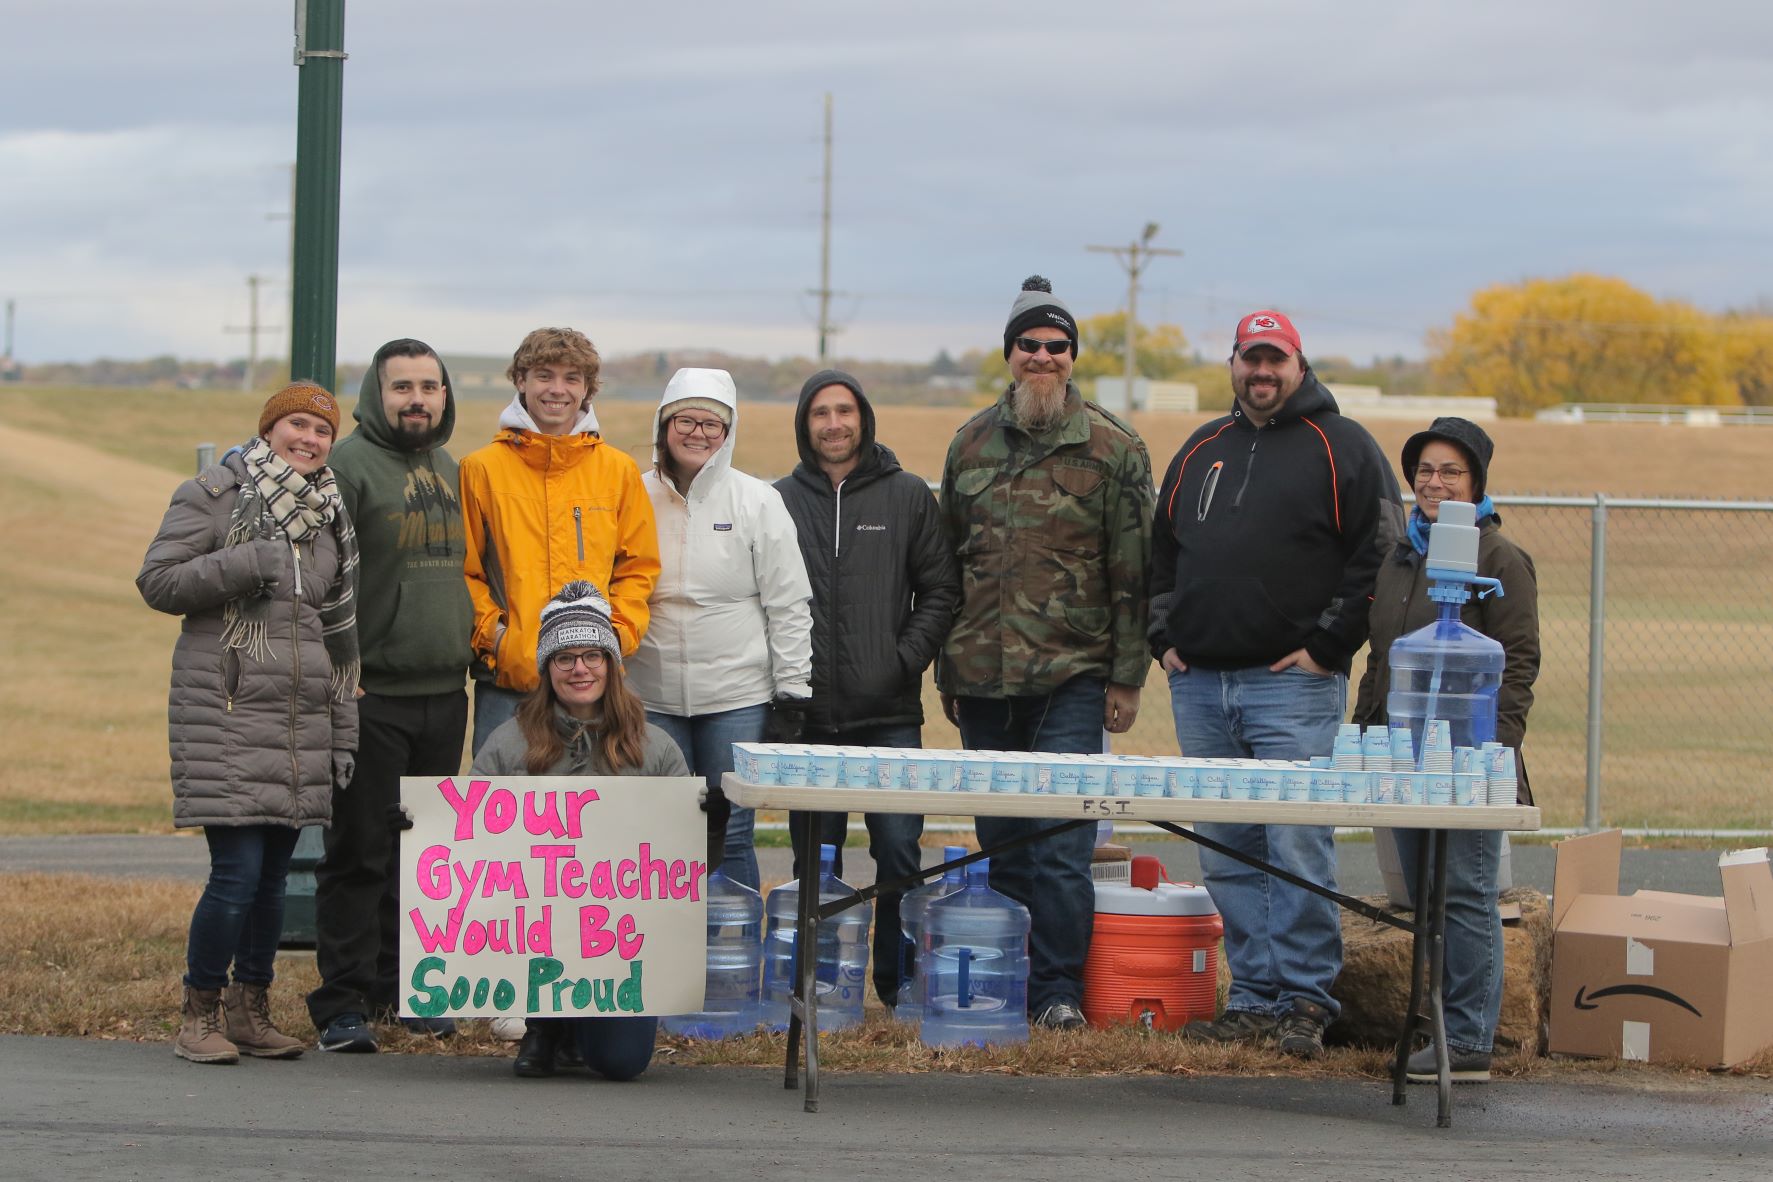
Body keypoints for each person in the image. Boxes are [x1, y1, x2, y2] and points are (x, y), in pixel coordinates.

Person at [1149, 309, 1401, 1058]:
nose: (1261, 373)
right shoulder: (1202, 447)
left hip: (1288, 687)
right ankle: (1253, 995)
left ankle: (1305, 999)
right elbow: (1161, 551)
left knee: (1295, 846)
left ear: (1297, 364)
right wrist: (1160, 637)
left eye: (1274, 360)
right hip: (1199, 687)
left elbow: (1378, 550)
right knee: (1227, 847)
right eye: (1248, 360)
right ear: (1231, 363)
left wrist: (1328, 646)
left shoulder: (1342, 445)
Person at [937, 276, 1154, 1031]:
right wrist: (947, 671)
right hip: (983, 678)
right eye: (1028, 345)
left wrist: (1126, 678)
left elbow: (1134, 572)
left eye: (1056, 346)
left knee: (1062, 844)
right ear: (1009, 355)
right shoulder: (968, 443)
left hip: (1072, 676)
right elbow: (947, 566)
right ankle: (1009, 981)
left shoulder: (1113, 448)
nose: (1042, 357)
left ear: (1071, 357)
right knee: (1002, 841)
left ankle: (1058, 991)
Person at [137, 382, 360, 1065]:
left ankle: (249, 1007)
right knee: (235, 873)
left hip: (298, 724)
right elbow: (159, 581)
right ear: (268, 430)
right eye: (297, 425)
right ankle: (198, 1011)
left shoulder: (328, 516)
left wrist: (343, 732)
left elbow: (337, 636)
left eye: (322, 431)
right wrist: (248, 561)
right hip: (228, 711)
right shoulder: (212, 495)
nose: (309, 440)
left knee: (269, 879)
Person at [472, 580, 727, 1080]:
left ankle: (577, 1029)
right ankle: (545, 1023)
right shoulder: (508, 743)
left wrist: (709, 828)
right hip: (536, 921)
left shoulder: (655, 748)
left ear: (612, 664)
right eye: (565, 657)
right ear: (547, 668)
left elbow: (687, 871)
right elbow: (471, 847)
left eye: (593, 654)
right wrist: (422, 825)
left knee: (620, 1062)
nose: (580, 668)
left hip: (622, 935)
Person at [1354, 417, 1539, 1084]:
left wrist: (1490, 757)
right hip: (1403, 762)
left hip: (1466, 763)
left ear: (1476, 483)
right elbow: (1382, 661)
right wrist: (1366, 736)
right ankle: (1436, 1021)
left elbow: (1516, 667)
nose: (1433, 482)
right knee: (1425, 899)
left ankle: (1467, 1040)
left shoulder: (1498, 561)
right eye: (1424, 471)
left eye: (1449, 472)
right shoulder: (1401, 555)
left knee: (1463, 894)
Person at [305, 339, 473, 1053]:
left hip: (445, 690)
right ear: (377, 394)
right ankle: (340, 1001)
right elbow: (314, 581)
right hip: (372, 691)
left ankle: (404, 986)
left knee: (422, 855)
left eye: (429, 386)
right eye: (401, 385)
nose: (417, 398)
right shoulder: (347, 467)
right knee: (359, 850)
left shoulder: (448, 467)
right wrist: (339, 670)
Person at [775, 368, 961, 1008]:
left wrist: (900, 659)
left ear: (863, 418)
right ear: (805, 424)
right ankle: (819, 984)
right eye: (820, 412)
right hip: (806, 719)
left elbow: (941, 590)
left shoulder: (908, 495)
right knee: (815, 863)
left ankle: (898, 982)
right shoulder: (776, 500)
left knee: (899, 853)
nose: (834, 423)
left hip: (887, 715)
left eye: (844, 411)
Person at [626, 367, 813, 891]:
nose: (699, 433)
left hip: (736, 699)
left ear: (729, 433)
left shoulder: (757, 501)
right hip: (649, 696)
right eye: (687, 420)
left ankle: (731, 953)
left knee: (730, 832)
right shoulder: (632, 497)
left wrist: (792, 692)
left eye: (714, 424)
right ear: (663, 425)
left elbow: (789, 603)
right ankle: (663, 955)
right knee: (662, 831)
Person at [458, 326, 660, 754]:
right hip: (510, 683)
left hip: (596, 684)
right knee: (499, 812)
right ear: (520, 381)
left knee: (597, 813)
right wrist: (499, 641)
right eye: (544, 375)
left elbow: (638, 569)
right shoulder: (481, 470)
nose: (557, 389)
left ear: (587, 389)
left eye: (572, 378)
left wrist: (614, 640)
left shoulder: (618, 471)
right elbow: (466, 571)